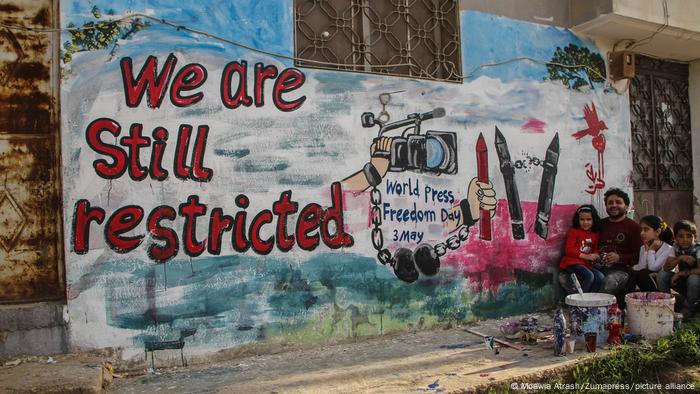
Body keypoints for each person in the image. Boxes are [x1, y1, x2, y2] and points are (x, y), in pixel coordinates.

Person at [598, 188, 642, 304]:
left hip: (621, 271)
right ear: (606, 206)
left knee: (610, 282)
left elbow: (640, 254)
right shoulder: (599, 224)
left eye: (618, 202)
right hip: (597, 268)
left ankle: (596, 309)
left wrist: (620, 257)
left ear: (626, 206)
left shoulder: (634, 228)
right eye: (610, 203)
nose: (614, 205)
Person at [658, 220, 700, 315]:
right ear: (675, 238)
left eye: (689, 236)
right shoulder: (675, 248)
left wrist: (679, 273)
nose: (685, 239)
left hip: (696, 285)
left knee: (694, 279)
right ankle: (666, 304)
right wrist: (679, 258)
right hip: (683, 282)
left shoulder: (698, 250)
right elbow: (666, 268)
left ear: (695, 237)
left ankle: (689, 307)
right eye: (680, 236)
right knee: (662, 275)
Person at [559, 205, 604, 292]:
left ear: (593, 220)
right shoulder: (574, 232)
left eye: (589, 219)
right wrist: (585, 256)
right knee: (589, 276)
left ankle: (591, 299)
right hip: (572, 262)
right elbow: (568, 250)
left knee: (600, 277)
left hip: (586, 264)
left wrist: (596, 256)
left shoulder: (595, 234)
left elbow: (595, 249)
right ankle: (580, 301)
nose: (585, 222)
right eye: (582, 219)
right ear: (577, 220)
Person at [630, 215, 674, 291]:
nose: (642, 233)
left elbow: (653, 268)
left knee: (641, 274)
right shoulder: (643, 248)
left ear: (657, 232)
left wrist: (651, 250)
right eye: (641, 230)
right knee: (634, 273)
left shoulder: (668, 249)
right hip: (647, 281)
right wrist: (646, 251)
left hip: (662, 284)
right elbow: (642, 268)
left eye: (646, 230)